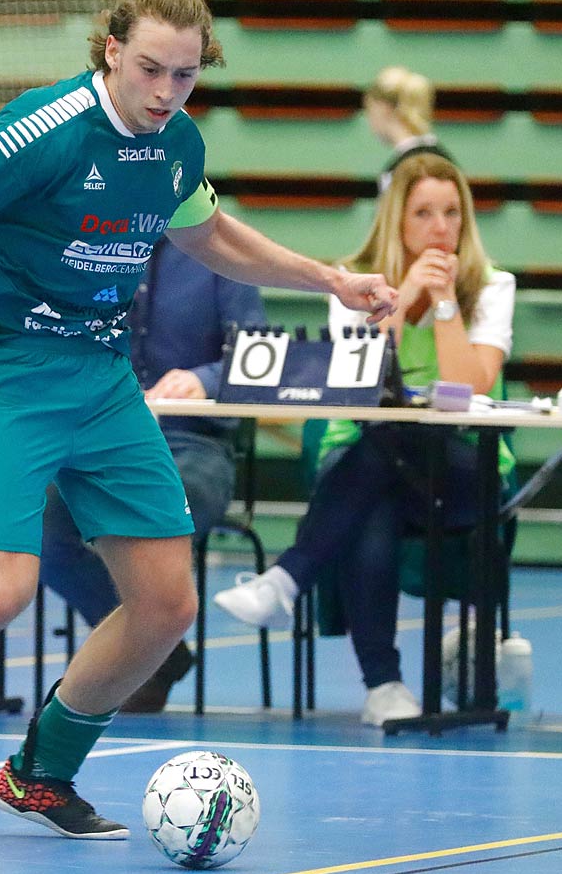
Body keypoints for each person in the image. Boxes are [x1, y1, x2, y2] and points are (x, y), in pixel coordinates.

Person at [0, 0, 395, 838]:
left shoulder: (176, 145)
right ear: (110, 50)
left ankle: (41, 770)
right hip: (12, 370)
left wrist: (330, 279)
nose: (165, 91)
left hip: (105, 381)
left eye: (185, 75)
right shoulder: (49, 127)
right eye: (149, 68)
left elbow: (209, 233)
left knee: (166, 604)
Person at [213, 151, 516, 726]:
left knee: (390, 443)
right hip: (368, 462)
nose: (441, 228)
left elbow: (470, 387)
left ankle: (288, 578)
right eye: (424, 213)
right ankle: (384, 689)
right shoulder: (354, 283)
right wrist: (400, 302)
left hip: (462, 468)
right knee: (374, 491)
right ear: (396, 220)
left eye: (452, 213)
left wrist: (446, 304)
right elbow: (361, 379)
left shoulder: (493, 286)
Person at [37, 235, 266, 713]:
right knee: (39, 526)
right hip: (99, 444)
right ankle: (159, 652)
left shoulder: (220, 251)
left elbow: (259, 355)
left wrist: (204, 380)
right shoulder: (88, 244)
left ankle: (146, 651)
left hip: (195, 444)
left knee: (145, 512)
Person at [364, 65, 451, 192]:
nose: (370, 122)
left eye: (370, 111)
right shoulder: (443, 160)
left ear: (384, 108)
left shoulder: (400, 171)